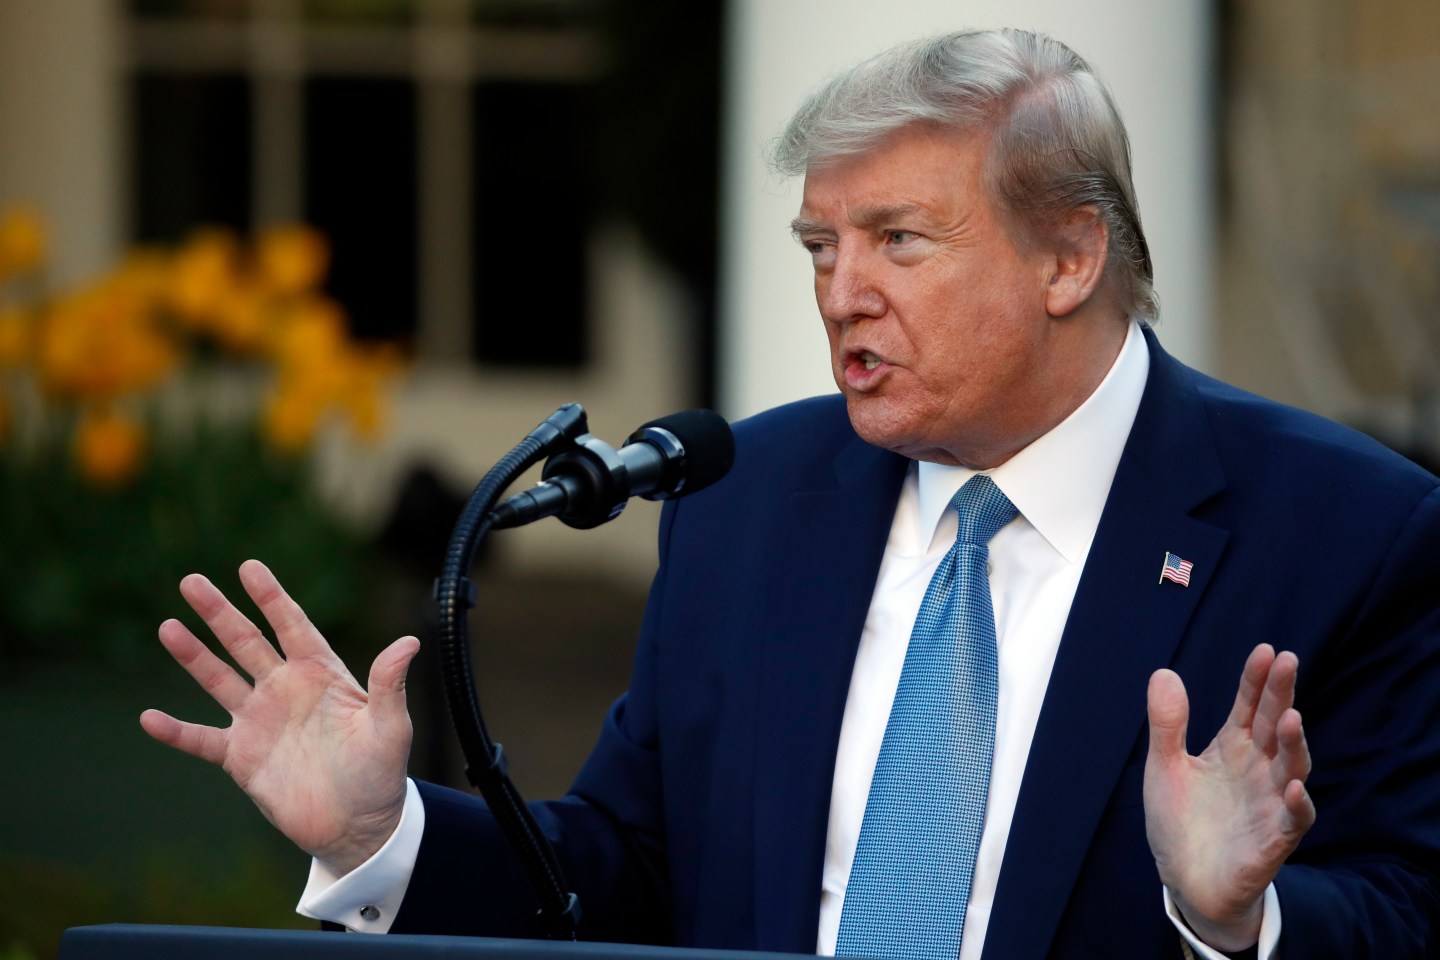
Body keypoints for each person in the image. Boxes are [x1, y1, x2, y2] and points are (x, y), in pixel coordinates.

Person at [140, 28, 1440, 960]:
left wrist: (1243, 919)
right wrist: (390, 833)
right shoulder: (752, 497)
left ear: (1068, 255)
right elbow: (638, 876)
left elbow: (1407, 907)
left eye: (899, 240)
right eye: (822, 245)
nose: (840, 290)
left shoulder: (1345, 532)